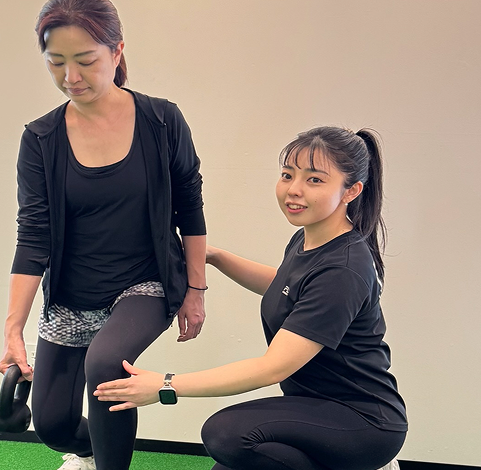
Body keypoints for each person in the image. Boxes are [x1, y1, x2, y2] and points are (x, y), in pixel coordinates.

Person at [95, 127, 408, 470]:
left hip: (362, 423)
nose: (294, 190)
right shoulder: (311, 240)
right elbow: (287, 286)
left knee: (226, 435)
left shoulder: (343, 269)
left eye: (315, 180)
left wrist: (166, 386)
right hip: (318, 405)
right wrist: (214, 257)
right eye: (287, 175)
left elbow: (273, 367)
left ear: (351, 190)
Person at [0, 1, 207, 469]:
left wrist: (195, 290)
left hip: (145, 283)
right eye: (56, 62)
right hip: (72, 294)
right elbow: (32, 237)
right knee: (52, 424)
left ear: (116, 52)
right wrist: (13, 329)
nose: (70, 76)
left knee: (106, 364)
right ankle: (91, 455)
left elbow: (190, 209)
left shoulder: (161, 121)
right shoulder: (41, 139)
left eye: (85, 60)